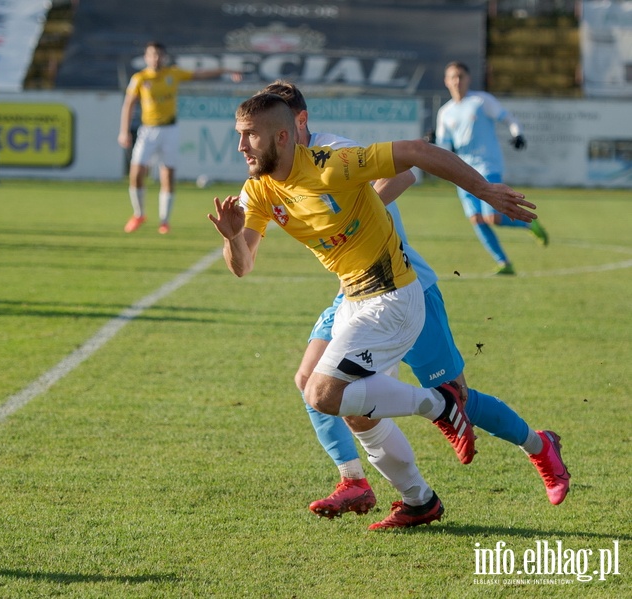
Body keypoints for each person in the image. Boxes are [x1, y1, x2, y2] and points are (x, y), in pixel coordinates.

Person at [209, 93, 537, 529]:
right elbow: (243, 266)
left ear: (283, 136)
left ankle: (441, 407)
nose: (241, 147)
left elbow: (416, 154)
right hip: (354, 299)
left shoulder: (331, 163)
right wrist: (233, 238)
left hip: (393, 296)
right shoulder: (259, 190)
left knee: (322, 393)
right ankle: (418, 500)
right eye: (239, 136)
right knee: (344, 403)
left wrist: (483, 190)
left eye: (249, 135)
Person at [436, 61, 548, 275]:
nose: (457, 81)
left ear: (468, 79)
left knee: (493, 218)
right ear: (446, 81)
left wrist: (518, 134)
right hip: (461, 170)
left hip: (487, 165)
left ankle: (530, 225)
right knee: (477, 219)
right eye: (453, 77)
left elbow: (508, 118)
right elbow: (444, 146)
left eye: (461, 76)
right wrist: (432, 141)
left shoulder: (481, 101)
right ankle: (504, 263)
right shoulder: (445, 112)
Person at [118, 41, 239, 235]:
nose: (156, 58)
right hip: (147, 130)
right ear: (146, 57)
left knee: (167, 175)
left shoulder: (173, 74)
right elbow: (128, 104)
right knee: (136, 173)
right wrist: (124, 131)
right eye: (152, 54)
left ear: (164, 57)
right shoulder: (140, 78)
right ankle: (139, 214)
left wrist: (225, 70)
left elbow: (200, 75)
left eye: (159, 54)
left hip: (169, 130)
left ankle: (164, 221)